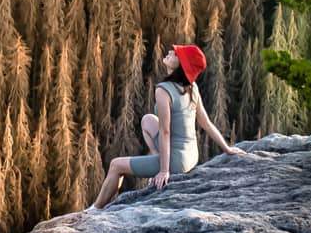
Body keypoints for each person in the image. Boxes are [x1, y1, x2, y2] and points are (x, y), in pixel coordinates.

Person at [88, 42, 247, 209]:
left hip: (176, 161)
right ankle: (157, 157)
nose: (170, 51)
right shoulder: (192, 87)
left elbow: (165, 132)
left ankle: (95, 210)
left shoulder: (163, 90)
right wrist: (227, 149)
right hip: (191, 155)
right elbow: (205, 123)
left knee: (116, 165)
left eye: (176, 54)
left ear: (181, 66)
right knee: (148, 120)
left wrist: (164, 171)